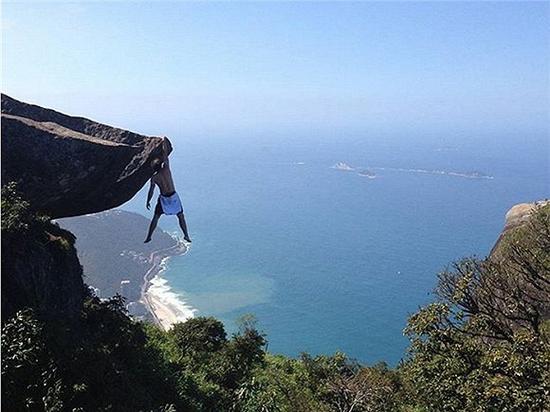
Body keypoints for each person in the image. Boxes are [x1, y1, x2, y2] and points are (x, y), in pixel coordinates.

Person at [144, 137, 191, 243]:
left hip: (164, 199)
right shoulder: (166, 169)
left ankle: (149, 236)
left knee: (156, 217)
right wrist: (164, 142)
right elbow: (165, 156)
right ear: (160, 165)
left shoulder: (154, 178)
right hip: (173, 196)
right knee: (180, 216)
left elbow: (151, 191)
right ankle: (186, 235)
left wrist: (148, 201)